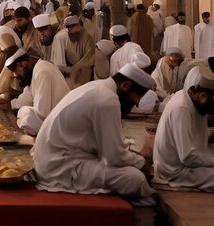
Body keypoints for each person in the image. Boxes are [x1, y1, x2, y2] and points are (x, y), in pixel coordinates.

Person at [33, 60, 157, 206]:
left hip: (51, 160)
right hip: (61, 168)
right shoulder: (108, 100)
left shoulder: (97, 87)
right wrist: (142, 164)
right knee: (136, 178)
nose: (136, 103)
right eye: (137, 97)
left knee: (129, 166)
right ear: (126, 85)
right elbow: (114, 157)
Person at [153, 64, 214, 191]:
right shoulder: (181, 108)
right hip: (175, 172)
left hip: (187, 166)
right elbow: (187, 157)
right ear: (203, 96)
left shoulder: (192, 100)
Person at [6, 48, 69, 136]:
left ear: (22, 64)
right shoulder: (35, 71)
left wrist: (21, 116)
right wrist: (9, 105)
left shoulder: (42, 71)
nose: (16, 76)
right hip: (52, 120)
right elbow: (27, 97)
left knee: (26, 113)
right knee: (24, 112)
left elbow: (41, 113)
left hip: (59, 125)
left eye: (18, 74)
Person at [62, 15, 95, 88]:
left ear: (78, 25)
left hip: (84, 69)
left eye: (72, 26)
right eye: (68, 27)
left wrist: (75, 68)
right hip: (72, 68)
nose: (70, 29)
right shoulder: (68, 37)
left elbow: (89, 57)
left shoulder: (86, 37)